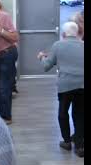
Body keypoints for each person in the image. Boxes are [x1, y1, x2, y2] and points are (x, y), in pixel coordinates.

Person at [37, 22, 84, 157]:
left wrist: (41, 57)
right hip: (82, 84)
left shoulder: (58, 45)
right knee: (80, 114)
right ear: (77, 32)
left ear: (63, 34)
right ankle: (80, 146)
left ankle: (67, 142)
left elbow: (46, 66)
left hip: (65, 85)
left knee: (63, 112)